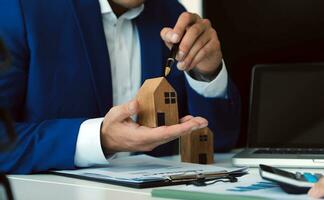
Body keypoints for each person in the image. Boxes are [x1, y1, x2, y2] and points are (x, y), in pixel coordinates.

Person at [0, 0, 240, 173]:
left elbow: (216, 143)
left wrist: (207, 73)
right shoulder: (21, 8)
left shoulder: (173, 16)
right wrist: (100, 138)